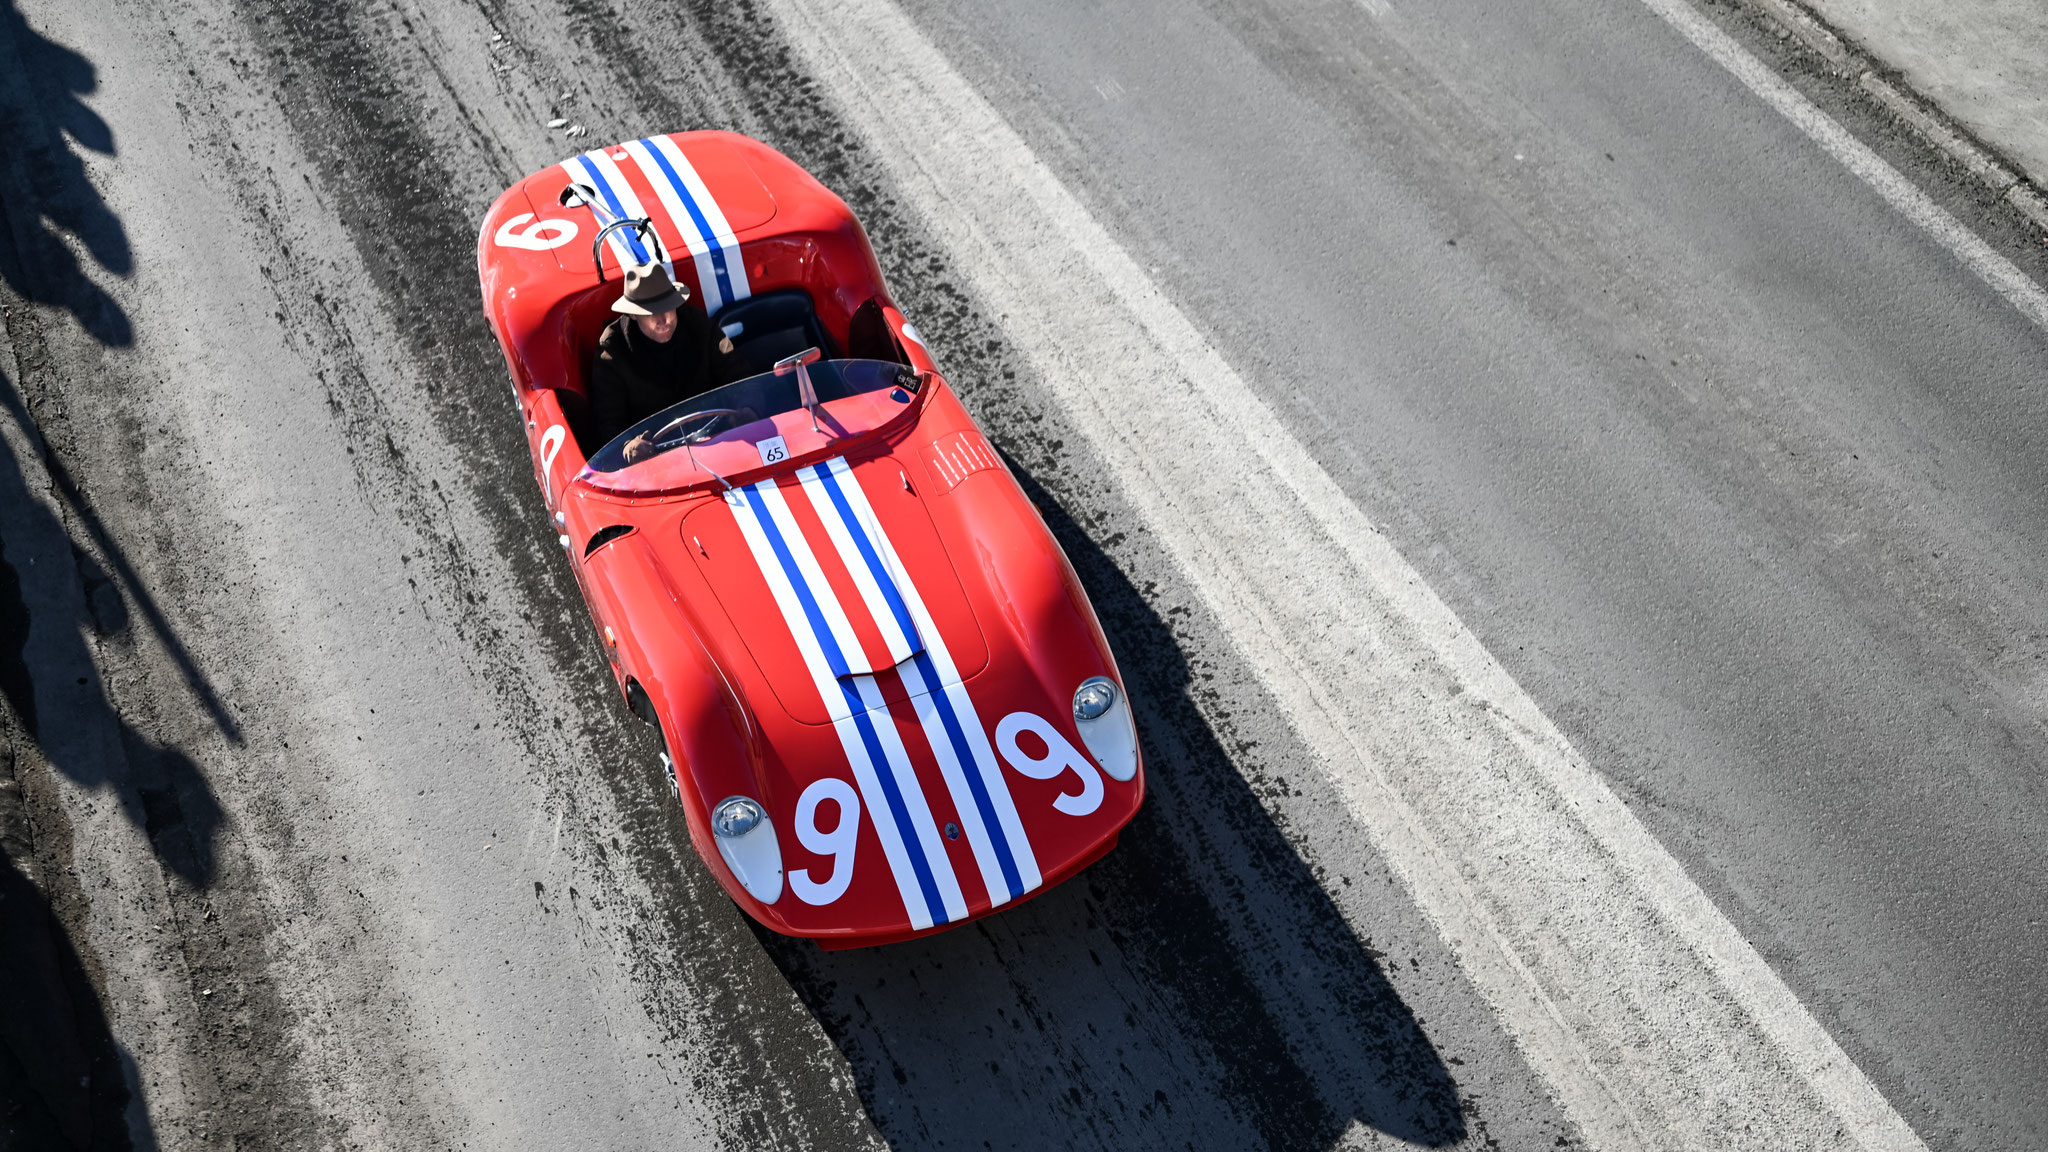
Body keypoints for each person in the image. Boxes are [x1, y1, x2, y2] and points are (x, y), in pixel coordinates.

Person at [586, 262, 736, 462]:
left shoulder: (699, 325)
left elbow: (735, 371)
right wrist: (627, 446)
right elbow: (609, 422)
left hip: (719, 442)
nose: (664, 319)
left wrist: (747, 408)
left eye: (668, 307)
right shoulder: (612, 352)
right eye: (651, 312)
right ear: (632, 314)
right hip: (656, 461)